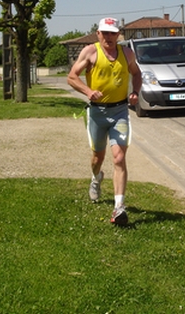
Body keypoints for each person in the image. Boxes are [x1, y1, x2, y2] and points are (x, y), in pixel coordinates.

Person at [67, 17, 142, 225]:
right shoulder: (90, 52)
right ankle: (96, 178)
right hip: (97, 113)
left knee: (118, 158)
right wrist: (88, 91)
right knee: (97, 158)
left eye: (113, 33)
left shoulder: (127, 54)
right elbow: (72, 77)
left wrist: (135, 91)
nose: (109, 37)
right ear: (98, 33)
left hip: (119, 111)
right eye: (105, 33)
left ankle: (119, 207)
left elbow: (137, 73)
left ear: (118, 35)